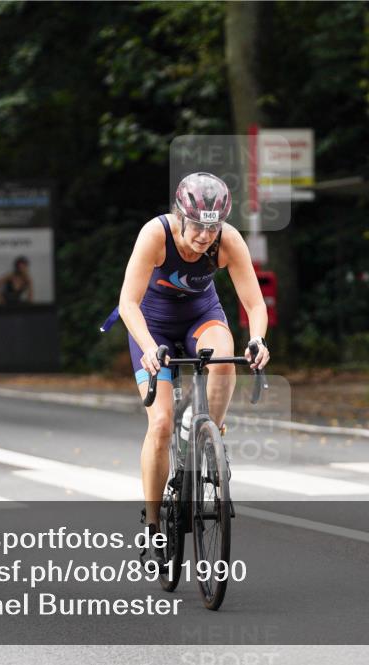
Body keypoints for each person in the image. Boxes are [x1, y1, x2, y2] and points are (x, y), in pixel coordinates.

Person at [111, 172, 270, 565]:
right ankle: (152, 524)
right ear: (180, 216)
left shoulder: (227, 241)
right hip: (153, 325)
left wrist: (259, 339)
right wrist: (148, 348)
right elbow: (128, 303)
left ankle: (209, 435)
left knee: (224, 357)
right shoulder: (156, 235)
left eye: (212, 226)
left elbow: (254, 304)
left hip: (201, 316)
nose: (204, 235)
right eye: (197, 225)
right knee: (161, 423)